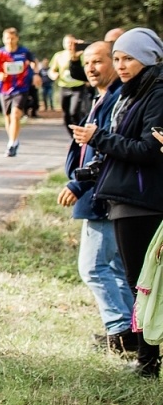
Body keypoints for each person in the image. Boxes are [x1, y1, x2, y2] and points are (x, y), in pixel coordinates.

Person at [77, 28, 163, 378]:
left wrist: (100, 138)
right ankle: (146, 358)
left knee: (141, 282)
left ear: (149, 57)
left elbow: (148, 150)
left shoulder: (156, 93)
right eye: (118, 58)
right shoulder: (131, 93)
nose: (121, 65)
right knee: (137, 281)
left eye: (129, 58)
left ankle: (146, 362)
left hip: (142, 199)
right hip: (123, 196)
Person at [58, 42, 135, 355]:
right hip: (99, 193)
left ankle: (121, 330)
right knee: (115, 268)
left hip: (101, 194)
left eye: (99, 62)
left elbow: (107, 151)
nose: (91, 68)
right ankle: (133, 331)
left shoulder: (117, 99)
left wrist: (79, 184)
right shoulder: (102, 96)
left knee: (93, 267)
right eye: (87, 62)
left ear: (114, 64)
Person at [0, 27, 37, 158]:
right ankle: (14, 139)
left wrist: (35, 73)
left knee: (15, 114)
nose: (10, 41)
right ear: (3, 39)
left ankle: (11, 144)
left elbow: (34, 63)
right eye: (7, 38)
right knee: (8, 117)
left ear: (17, 39)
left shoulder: (24, 52)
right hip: (4, 89)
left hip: (21, 88)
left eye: (12, 38)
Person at [50, 35, 91, 134]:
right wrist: (53, 75)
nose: (70, 45)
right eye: (67, 43)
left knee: (75, 111)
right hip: (64, 87)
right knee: (66, 114)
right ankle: (73, 137)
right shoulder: (58, 55)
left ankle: (79, 133)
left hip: (78, 87)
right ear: (63, 44)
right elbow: (52, 70)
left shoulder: (82, 54)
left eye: (72, 43)